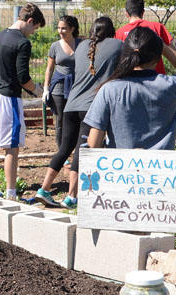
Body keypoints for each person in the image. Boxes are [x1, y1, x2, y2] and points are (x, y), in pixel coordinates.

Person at [35, 17, 121, 209]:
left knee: (65, 148)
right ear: (111, 31)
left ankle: (43, 189)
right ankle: (72, 197)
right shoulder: (117, 45)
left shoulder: (82, 46)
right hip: (90, 107)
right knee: (83, 151)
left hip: (71, 105)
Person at [84, 26, 176, 150]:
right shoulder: (173, 86)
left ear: (125, 53)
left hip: (120, 167)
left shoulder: (109, 90)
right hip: (162, 168)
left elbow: (94, 143)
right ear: (158, 56)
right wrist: (164, 47)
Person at [0, 3, 45, 200]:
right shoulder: (22, 43)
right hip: (8, 98)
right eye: (34, 28)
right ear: (30, 21)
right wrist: (37, 90)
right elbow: (23, 77)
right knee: (11, 146)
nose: (32, 33)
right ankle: (11, 193)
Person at [42, 15, 80, 147]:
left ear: (72, 28)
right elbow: (49, 68)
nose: (60, 31)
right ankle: (61, 150)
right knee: (60, 119)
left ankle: (75, 147)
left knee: (76, 117)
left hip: (76, 85)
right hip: (59, 86)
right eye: (59, 28)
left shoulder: (81, 44)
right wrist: (46, 88)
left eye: (64, 28)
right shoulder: (55, 46)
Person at [115, 0, 173, 75]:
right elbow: (174, 53)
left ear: (127, 14)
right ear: (143, 12)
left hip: (129, 79)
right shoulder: (158, 27)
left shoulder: (118, 33)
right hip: (158, 79)